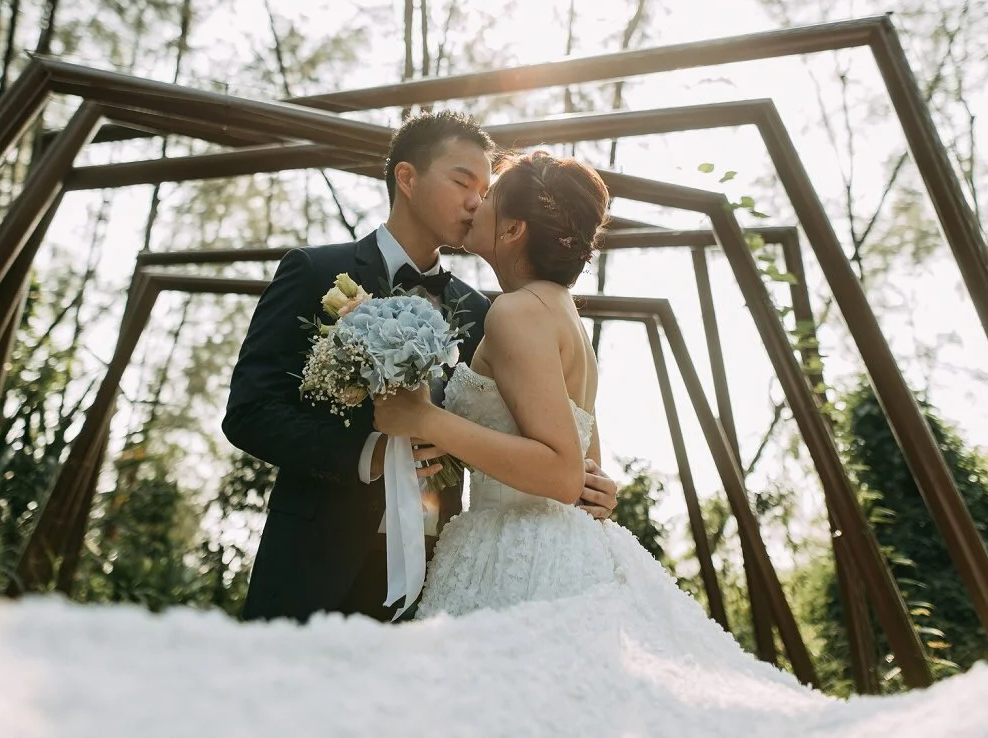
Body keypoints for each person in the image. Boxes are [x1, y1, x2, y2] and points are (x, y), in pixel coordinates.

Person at [224, 113, 618, 622]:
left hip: (447, 574)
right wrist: (369, 454)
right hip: (317, 562)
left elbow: (535, 435)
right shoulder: (315, 272)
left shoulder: (485, 312)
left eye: (486, 189)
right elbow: (250, 411)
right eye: (462, 182)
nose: (477, 201)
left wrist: (594, 486)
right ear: (407, 178)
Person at [371, 149, 696, 618]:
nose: (476, 202)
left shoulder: (517, 311)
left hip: (518, 561)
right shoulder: (560, 310)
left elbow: (563, 474)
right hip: (561, 545)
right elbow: (586, 468)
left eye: (490, 196)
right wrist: (598, 487)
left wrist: (425, 418)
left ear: (513, 229)